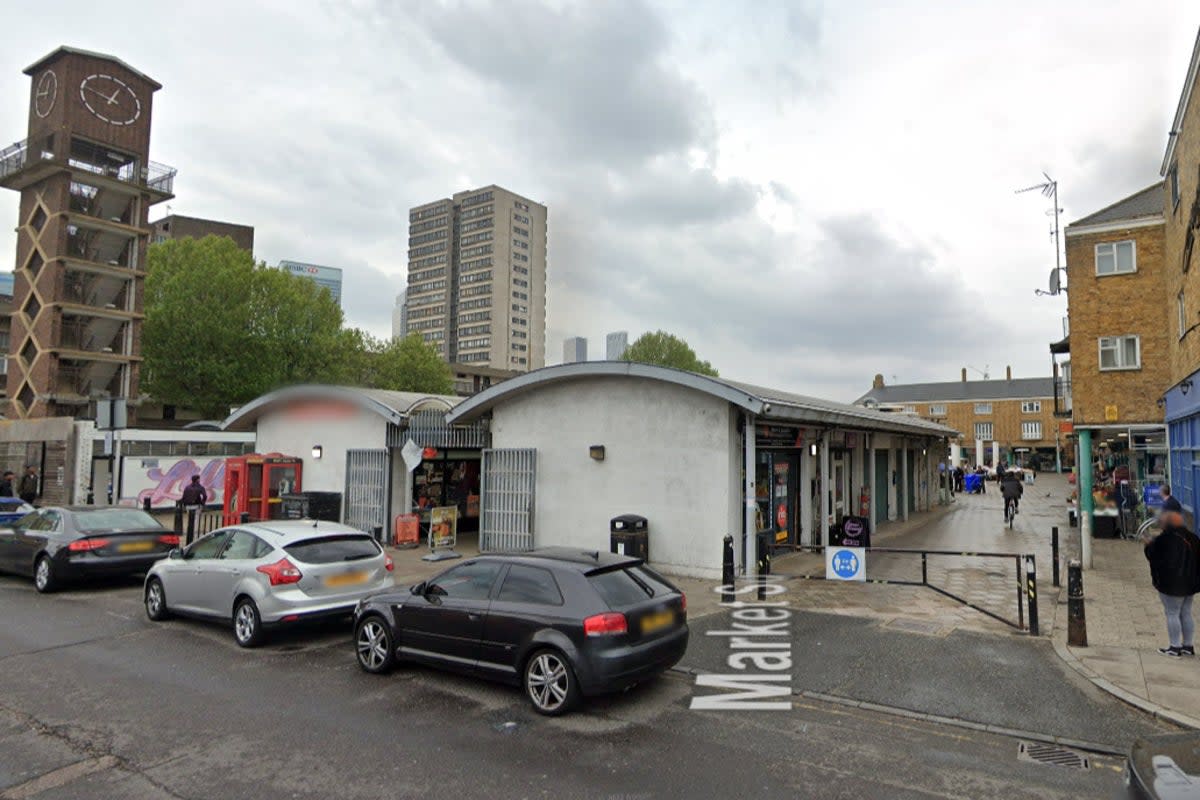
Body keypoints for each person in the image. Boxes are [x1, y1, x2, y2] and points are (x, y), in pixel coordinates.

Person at [1142, 510, 1200, 657]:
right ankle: (1188, 645)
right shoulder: (1193, 537)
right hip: (1190, 584)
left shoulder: (1165, 539)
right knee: (1186, 613)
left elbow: (1153, 556)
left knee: (1172, 613)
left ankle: (1174, 647)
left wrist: (1148, 545)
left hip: (1172, 584)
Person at [180, 475, 208, 545]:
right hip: (196, 506)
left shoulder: (187, 487)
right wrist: (202, 503)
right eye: (199, 479)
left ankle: (189, 534)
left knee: (190, 520)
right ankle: (195, 537)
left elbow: (184, 497)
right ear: (198, 480)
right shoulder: (200, 487)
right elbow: (205, 496)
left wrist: (184, 505)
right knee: (196, 521)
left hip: (188, 506)